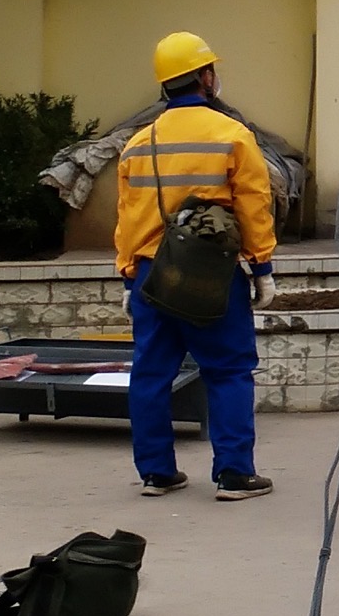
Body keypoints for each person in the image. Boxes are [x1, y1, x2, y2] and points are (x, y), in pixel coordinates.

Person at [114, 31, 279, 499]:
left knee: (150, 373)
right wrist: (261, 267)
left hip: (151, 275)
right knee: (227, 370)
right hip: (211, 273)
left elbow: (127, 218)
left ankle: (156, 473)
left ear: (165, 85)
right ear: (206, 77)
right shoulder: (233, 136)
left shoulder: (137, 145)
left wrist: (128, 274)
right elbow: (253, 206)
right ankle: (233, 474)